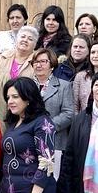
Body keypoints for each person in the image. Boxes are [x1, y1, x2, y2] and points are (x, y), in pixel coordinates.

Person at [31, 48, 74, 178]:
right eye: (35, 62)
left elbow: (69, 113)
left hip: (55, 140)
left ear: (52, 65)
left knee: (50, 180)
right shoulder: (26, 84)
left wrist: (47, 127)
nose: (39, 65)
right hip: (29, 139)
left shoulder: (64, 86)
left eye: (43, 61)